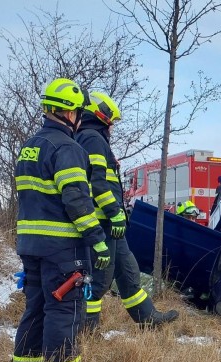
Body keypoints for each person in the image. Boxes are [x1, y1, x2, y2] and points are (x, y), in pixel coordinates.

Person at [12, 78, 110, 362]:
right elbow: (76, 200)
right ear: (71, 114)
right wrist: (97, 240)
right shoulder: (68, 148)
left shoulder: (29, 147)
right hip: (62, 246)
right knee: (63, 308)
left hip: (30, 244)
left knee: (37, 306)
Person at [75, 90, 178, 332]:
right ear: (101, 117)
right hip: (103, 224)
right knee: (99, 281)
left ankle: (148, 318)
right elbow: (98, 184)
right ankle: (86, 332)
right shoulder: (92, 138)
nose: (112, 128)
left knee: (128, 271)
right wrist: (114, 212)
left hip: (111, 227)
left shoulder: (90, 139)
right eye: (110, 123)